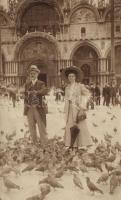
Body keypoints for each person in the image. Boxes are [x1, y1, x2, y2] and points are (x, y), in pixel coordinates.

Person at [62, 66, 92, 150]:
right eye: (69, 76)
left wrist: (82, 105)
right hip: (69, 109)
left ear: (75, 77)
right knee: (70, 125)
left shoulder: (80, 86)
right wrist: (66, 109)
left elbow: (88, 94)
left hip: (77, 109)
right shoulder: (67, 87)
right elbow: (66, 99)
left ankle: (82, 143)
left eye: (72, 76)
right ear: (68, 78)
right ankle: (72, 144)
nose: (71, 78)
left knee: (80, 126)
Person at [24, 65, 48, 145]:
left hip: (39, 108)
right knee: (31, 127)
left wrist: (37, 92)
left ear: (37, 74)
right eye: (31, 73)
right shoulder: (27, 84)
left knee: (41, 127)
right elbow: (25, 96)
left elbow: (45, 91)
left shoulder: (41, 83)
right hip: (29, 108)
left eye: (34, 73)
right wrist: (25, 106)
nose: (32, 75)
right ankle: (34, 144)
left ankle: (44, 145)